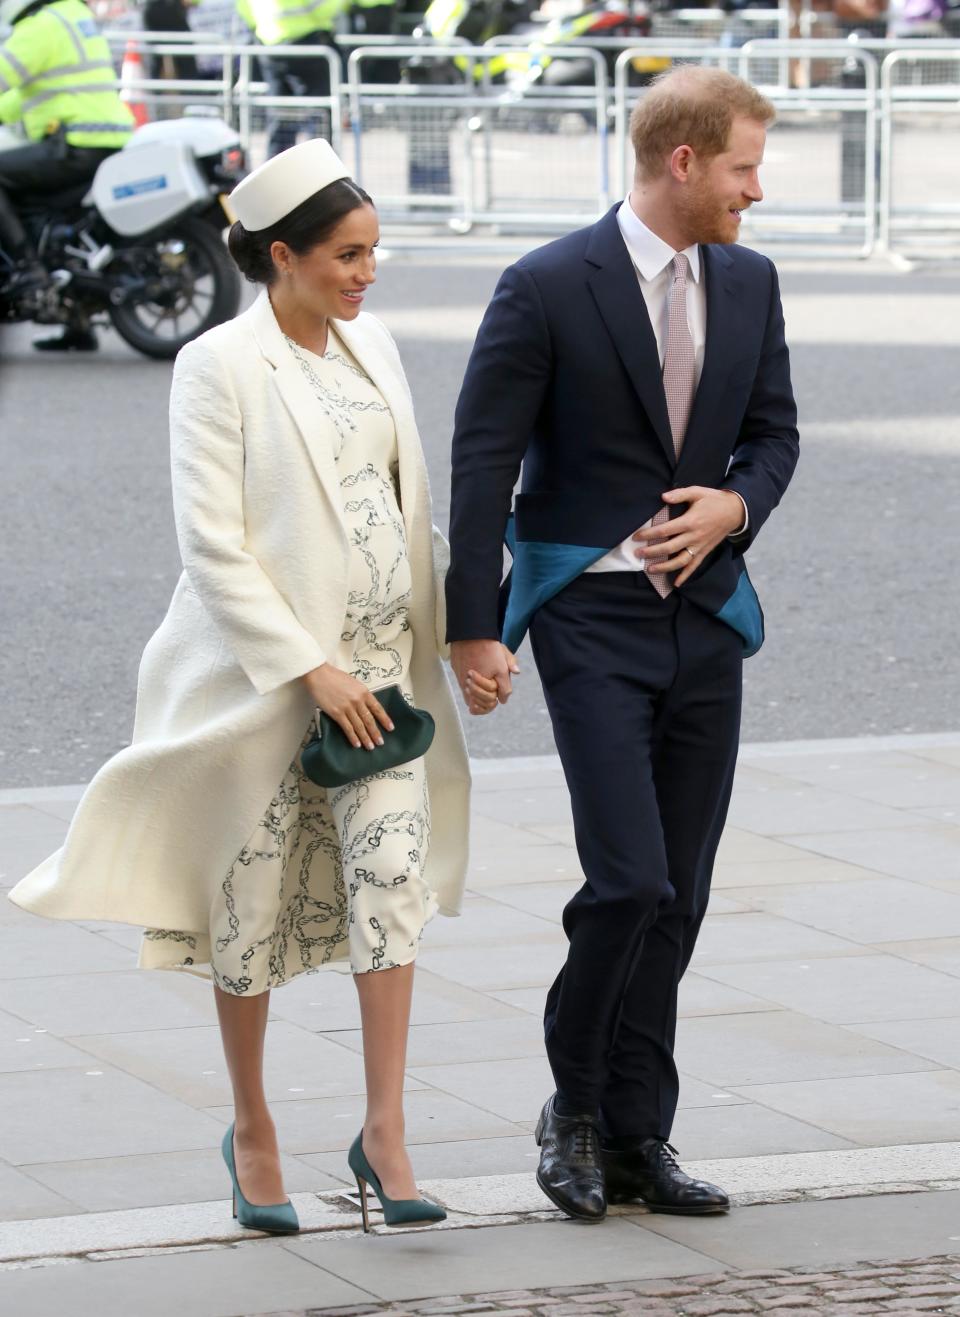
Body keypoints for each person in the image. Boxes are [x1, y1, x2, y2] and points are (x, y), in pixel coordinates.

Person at [9, 137, 488, 1235]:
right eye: (348, 255)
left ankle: (385, 1133)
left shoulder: (380, 352)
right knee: (253, 912)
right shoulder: (217, 364)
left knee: (391, 888)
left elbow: (407, 511)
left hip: (383, 682)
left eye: (374, 253)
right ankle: (254, 1128)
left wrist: (466, 634)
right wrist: (308, 670)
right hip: (266, 684)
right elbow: (212, 545)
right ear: (284, 255)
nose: (369, 274)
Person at [445, 67, 799, 1222]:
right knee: (629, 878)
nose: (760, 188)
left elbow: (774, 435)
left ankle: (643, 1135)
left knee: (682, 891)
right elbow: (482, 461)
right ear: (685, 162)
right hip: (590, 616)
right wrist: (473, 627)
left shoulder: (750, 281)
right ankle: (576, 1108)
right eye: (745, 165)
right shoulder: (546, 284)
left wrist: (734, 507)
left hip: (706, 616)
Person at [0, 0, 135, 349]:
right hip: (105, 138)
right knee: (47, 212)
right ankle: (78, 323)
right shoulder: (75, 16)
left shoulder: (40, 26)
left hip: (75, 142)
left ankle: (27, 271)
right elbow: (29, 93)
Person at [236, 0, 343, 157]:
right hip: (308, 44)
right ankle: (321, 171)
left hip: (269, 44)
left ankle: (276, 173)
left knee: (280, 117)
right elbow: (324, 8)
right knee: (318, 116)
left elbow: (244, 7)